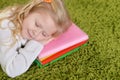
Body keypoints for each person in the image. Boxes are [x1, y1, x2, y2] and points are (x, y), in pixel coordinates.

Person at [0, 0, 72, 78]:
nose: (36, 33)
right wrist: (37, 43)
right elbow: (12, 70)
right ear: (28, 10)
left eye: (44, 34)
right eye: (37, 25)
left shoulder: (25, 18)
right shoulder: (6, 28)